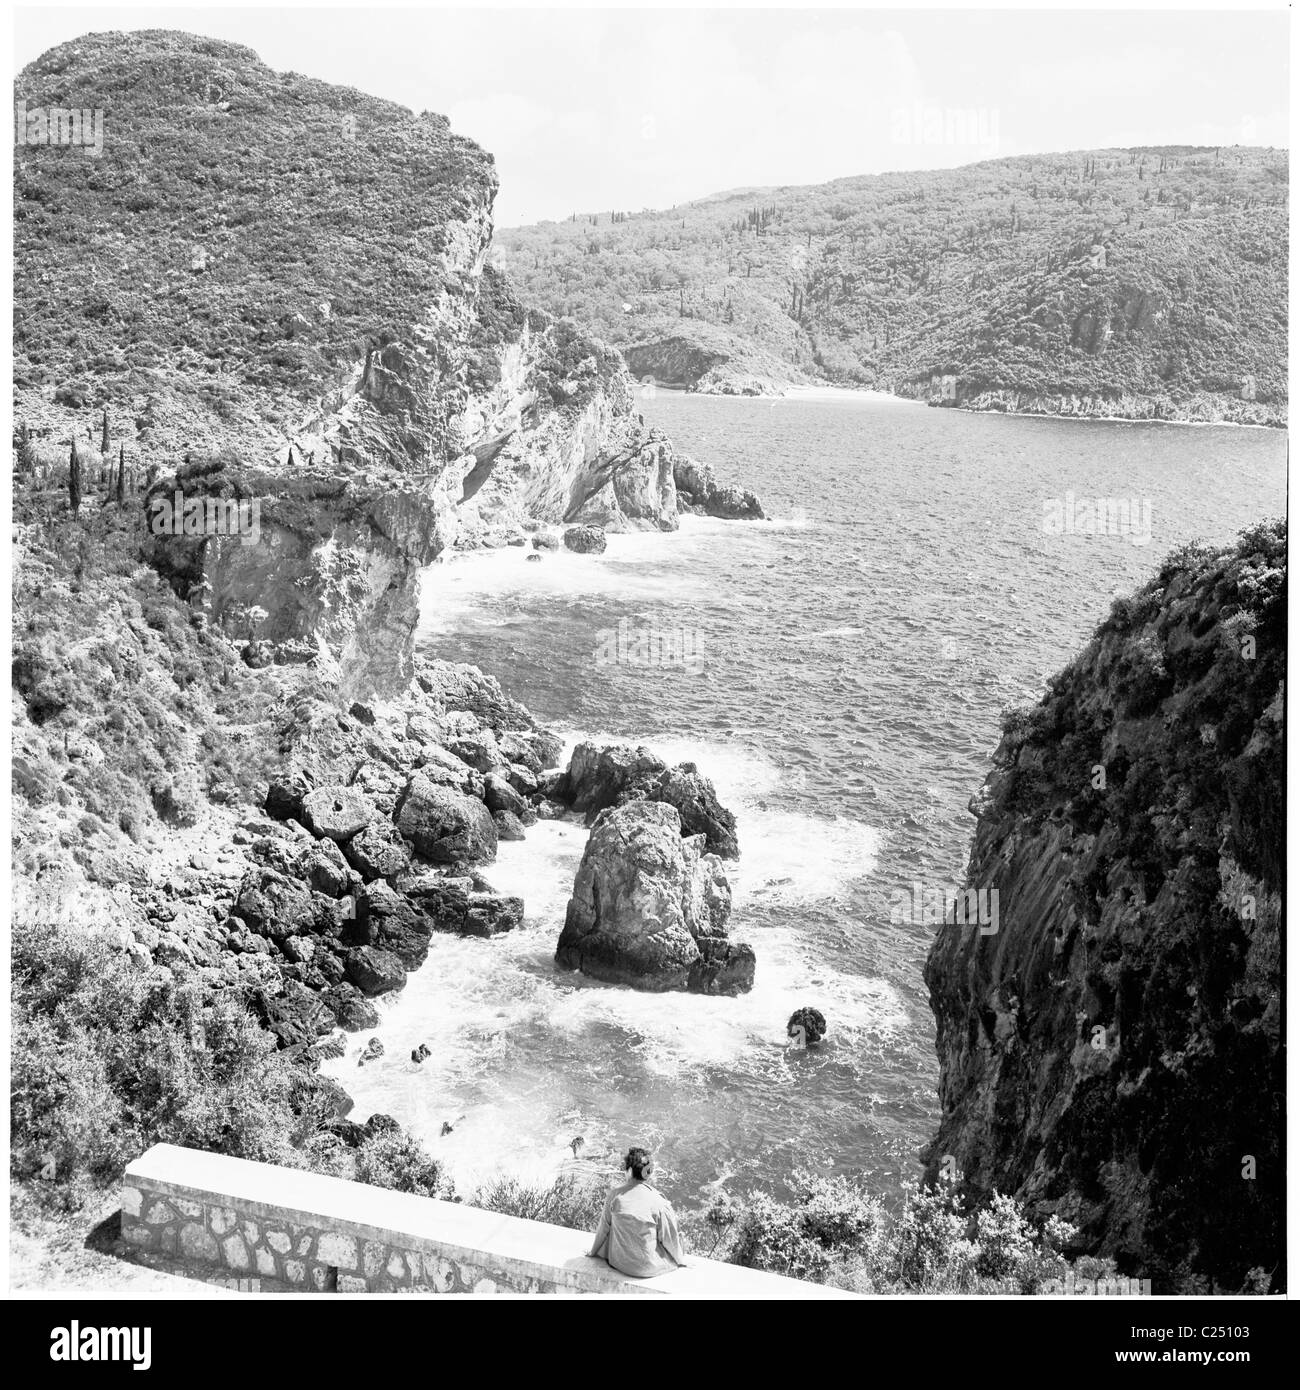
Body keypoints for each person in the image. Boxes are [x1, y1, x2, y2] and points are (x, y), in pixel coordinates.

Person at [588, 1146, 687, 1277]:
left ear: (629, 1171)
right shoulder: (658, 1201)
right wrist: (681, 1261)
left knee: (614, 1227)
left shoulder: (614, 1196)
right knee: (679, 1236)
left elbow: (603, 1229)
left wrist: (592, 1253)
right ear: (648, 1172)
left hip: (618, 1263)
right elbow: (670, 1238)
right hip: (647, 1269)